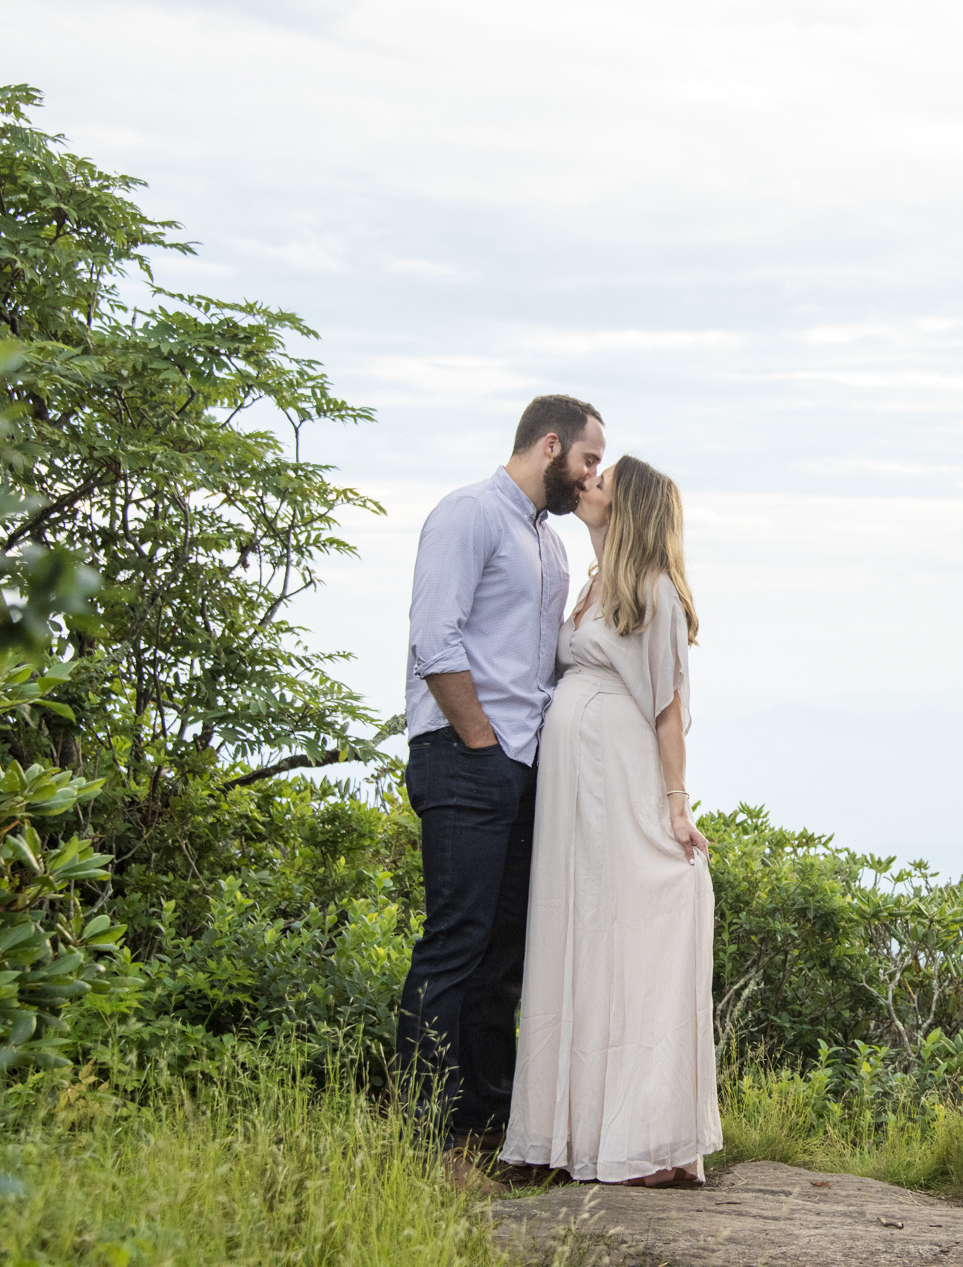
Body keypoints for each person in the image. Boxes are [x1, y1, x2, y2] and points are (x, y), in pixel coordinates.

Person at [399, 394, 605, 1189]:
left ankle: (488, 1128)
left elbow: (541, 670)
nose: (591, 475)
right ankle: (429, 1140)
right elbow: (434, 639)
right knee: (454, 946)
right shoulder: (468, 515)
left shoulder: (549, 547)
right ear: (550, 445)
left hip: (525, 771)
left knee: (503, 956)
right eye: (587, 459)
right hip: (462, 758)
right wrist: (481, 744)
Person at [500, 456, 722, 1187]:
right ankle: (581, 1128)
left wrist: (677, 806)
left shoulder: (653, 591)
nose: (589, 484)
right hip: (576, 793)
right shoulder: (593, 581)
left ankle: (646, 1135)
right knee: (580, 936)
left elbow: (667, 708)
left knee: (628, 934)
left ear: (628, 509)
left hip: (619, 784)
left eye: (604, 482)